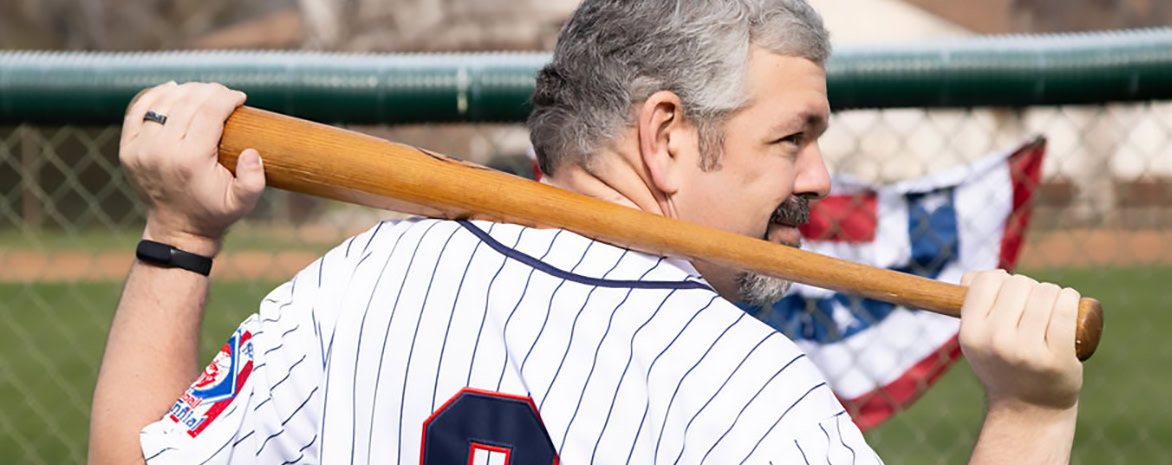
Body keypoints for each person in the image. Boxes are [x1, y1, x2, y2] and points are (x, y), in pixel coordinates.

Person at [89, 0, 1085, 464]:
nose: (820, 179)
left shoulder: (357, 282)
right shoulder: (750, 394)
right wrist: (1029, 418)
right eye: (793, 139)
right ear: (663, 137)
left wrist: (178, 232)